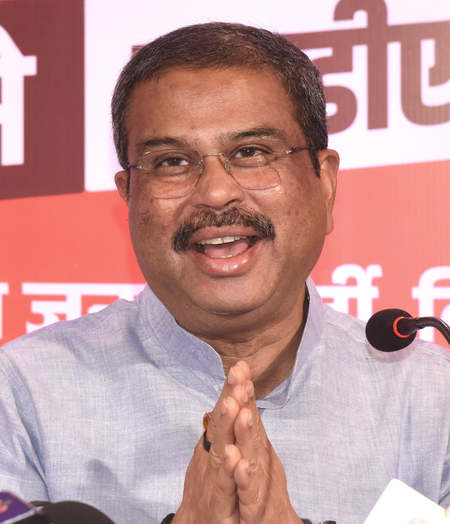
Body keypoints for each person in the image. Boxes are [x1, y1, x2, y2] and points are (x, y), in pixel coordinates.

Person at [0, 22, 449, 524]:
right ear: (128, 196)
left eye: (251, 152)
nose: (215, 193)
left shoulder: (434, 399)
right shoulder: (22, 395)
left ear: (324, 183)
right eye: (172, 161)